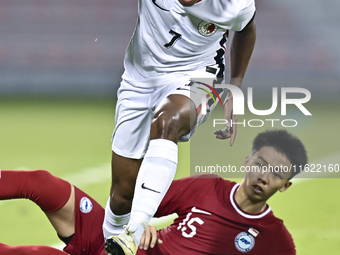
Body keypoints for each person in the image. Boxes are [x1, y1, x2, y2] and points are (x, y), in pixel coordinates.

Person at [105, 0, 257, 254]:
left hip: (198, 74)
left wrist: (235, 88)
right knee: (122, 195)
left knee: (168, 122)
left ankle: (135, 230)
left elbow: (246, 28)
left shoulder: (235, 3)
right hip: (138, 80)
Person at [0, 130, 306, 255]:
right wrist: (142, 219)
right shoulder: (206, 188)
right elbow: (140, 198)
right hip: (118, 242)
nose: (264, 176)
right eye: (261, 163)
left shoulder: (275, 240)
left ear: (285, 186)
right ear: (247, 161)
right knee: (40, 183)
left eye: (277, 174)